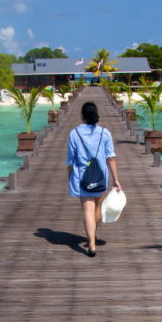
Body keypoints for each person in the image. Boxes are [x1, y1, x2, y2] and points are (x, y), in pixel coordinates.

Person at [67, 101, 121, 257]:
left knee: (87, 210)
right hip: (100, 176)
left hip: (81, 177)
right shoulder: (105, 133)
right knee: (97, 208)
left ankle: (91, 245)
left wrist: (69, 177)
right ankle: (92, 236)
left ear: (82, 116)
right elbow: (111, 158)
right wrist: (115, 179)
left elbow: (71, 160)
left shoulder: (74, 133)